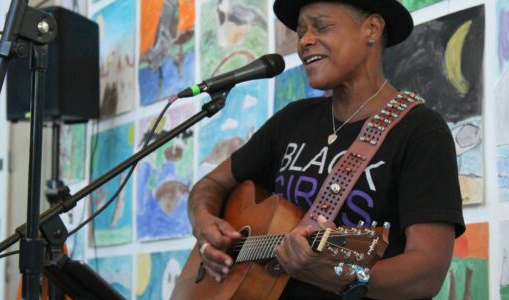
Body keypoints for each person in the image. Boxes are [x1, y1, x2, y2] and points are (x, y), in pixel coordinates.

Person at [187, 0, 466, 299]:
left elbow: (427, 273)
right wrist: (203, 223)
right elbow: (209, 185)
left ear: (371, 28)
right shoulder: (292, 120)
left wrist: (332, 274)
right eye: (301, 32)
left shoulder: (420, 131)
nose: (305, 41)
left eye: (321, 27)